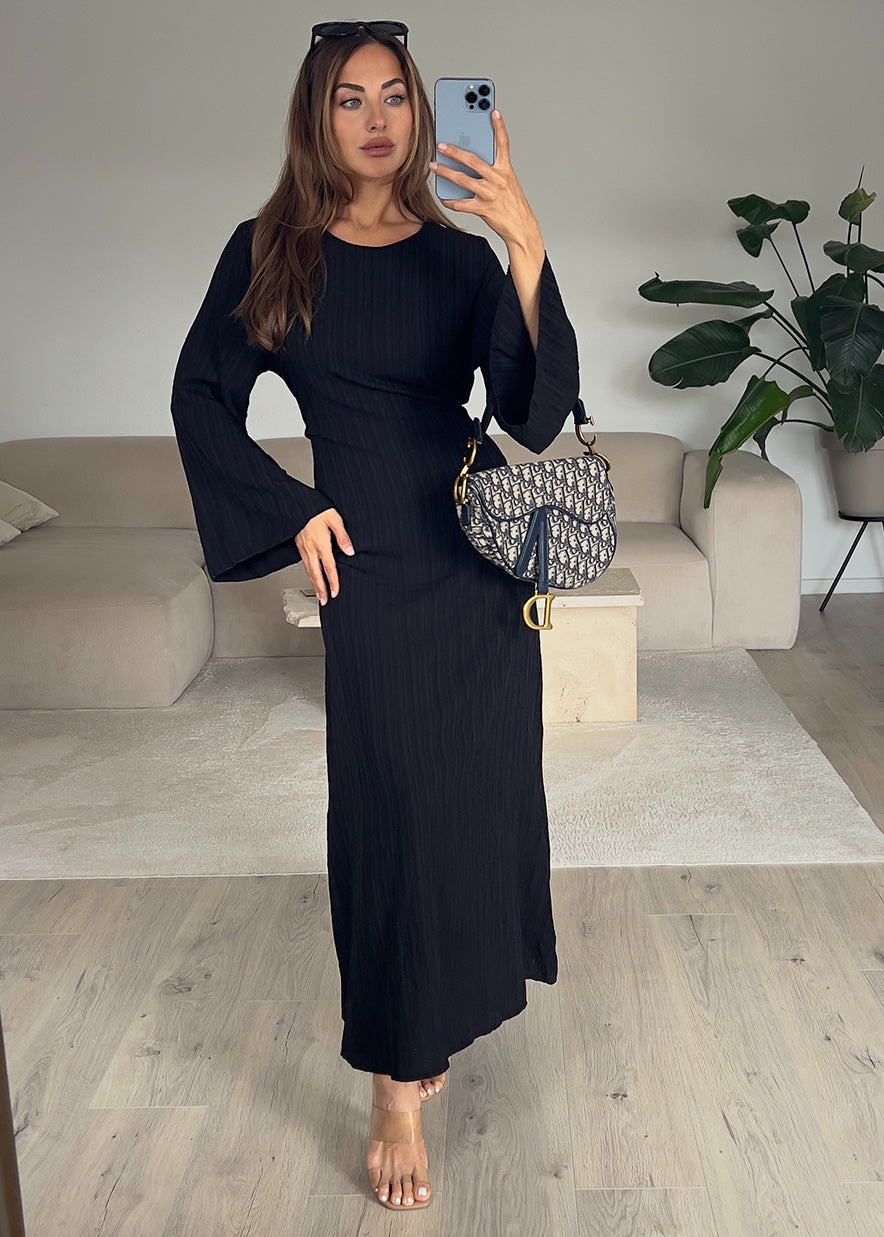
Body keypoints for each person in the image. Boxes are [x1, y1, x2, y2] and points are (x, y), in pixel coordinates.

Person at [170, 18, 580, 1213]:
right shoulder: (270, 252)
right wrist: (291, 506)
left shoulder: (458, 259)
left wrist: (523, 243)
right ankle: (395, 1077)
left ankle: (432, 1020)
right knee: (390, 813)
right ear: (318, 115)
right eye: (350, 97)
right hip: (369, 567)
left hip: (474, 559)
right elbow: (200, 397)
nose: (376, 118)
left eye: (394, 95)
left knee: (471, 801)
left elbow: (532, 412)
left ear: (419, 111)